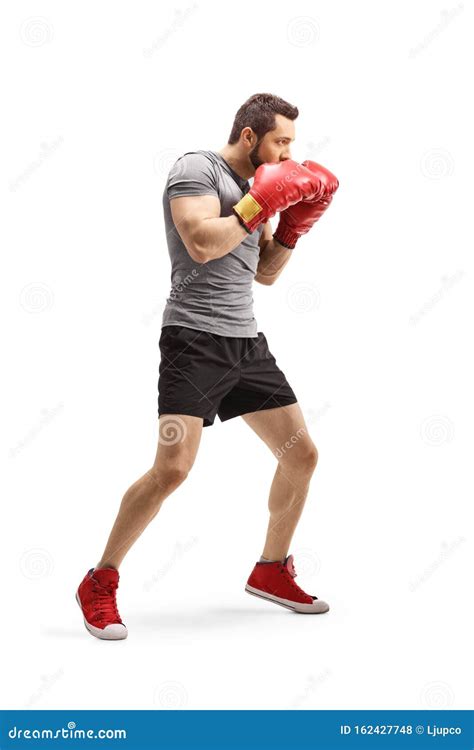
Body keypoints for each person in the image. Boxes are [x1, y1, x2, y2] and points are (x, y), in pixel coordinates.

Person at [76, 93, 339, 640]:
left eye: (293, 143)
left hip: (246, 347)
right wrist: (256, 205)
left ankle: (271, 569)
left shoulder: (258, 189)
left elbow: (263, 273)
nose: (290, 153)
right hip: (192, 345)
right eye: (281, 141)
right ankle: (99, 581)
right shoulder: (198, 169)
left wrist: (292, 227)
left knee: (303, 455)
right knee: (172, 469)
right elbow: (200, 243)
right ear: (250, 137)